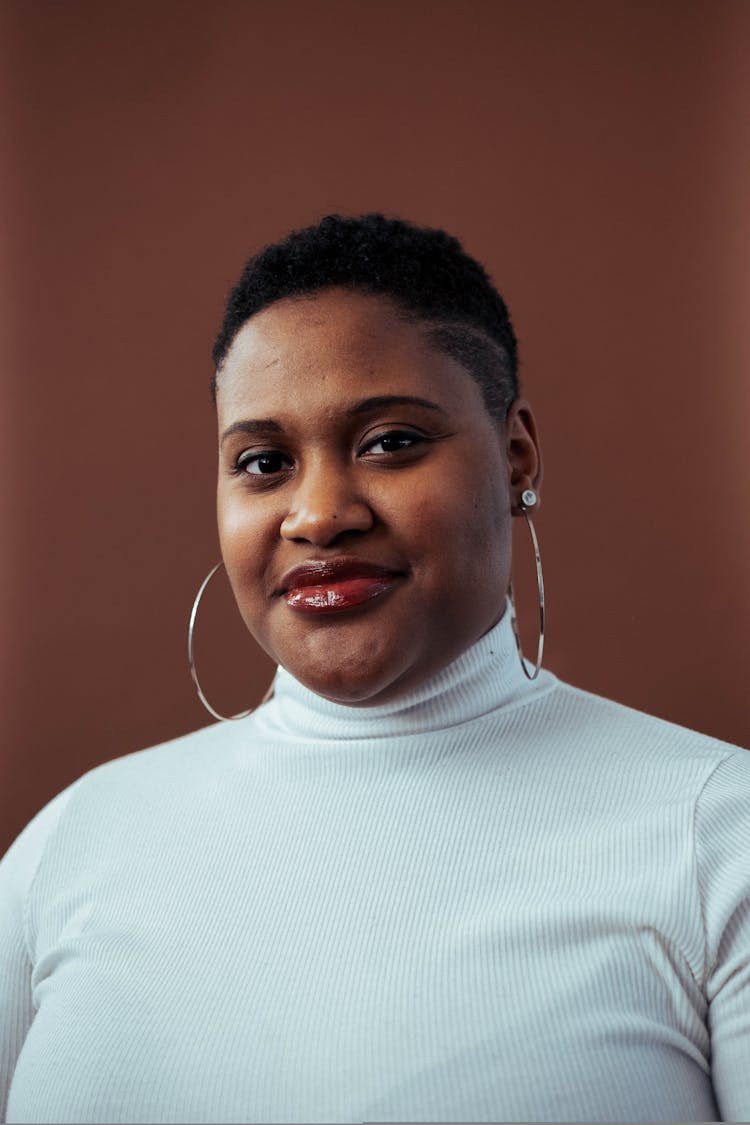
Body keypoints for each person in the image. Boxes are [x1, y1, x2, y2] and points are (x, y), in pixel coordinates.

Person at [1, 213, 748, 1124]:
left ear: (517, 455)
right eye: (264, 462)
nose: (317, 514)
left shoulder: (715, 833)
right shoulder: (70, 846)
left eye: (390, 440)